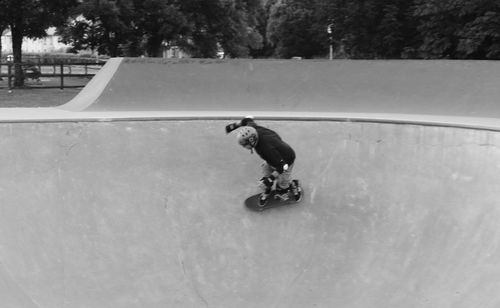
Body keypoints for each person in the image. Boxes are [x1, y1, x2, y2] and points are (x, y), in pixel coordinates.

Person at [235, 116, 302, 206]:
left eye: (244, 145)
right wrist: (235, 125)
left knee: (282, 185)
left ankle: (293, 185)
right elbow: (248, 120)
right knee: (265, 173)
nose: (244, 147)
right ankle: (268, 189)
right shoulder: (254, 130)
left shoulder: (266, 149)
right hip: (273, 158)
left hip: (286, 160)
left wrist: (270, 179)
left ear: (251, 141)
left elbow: (282, 167)